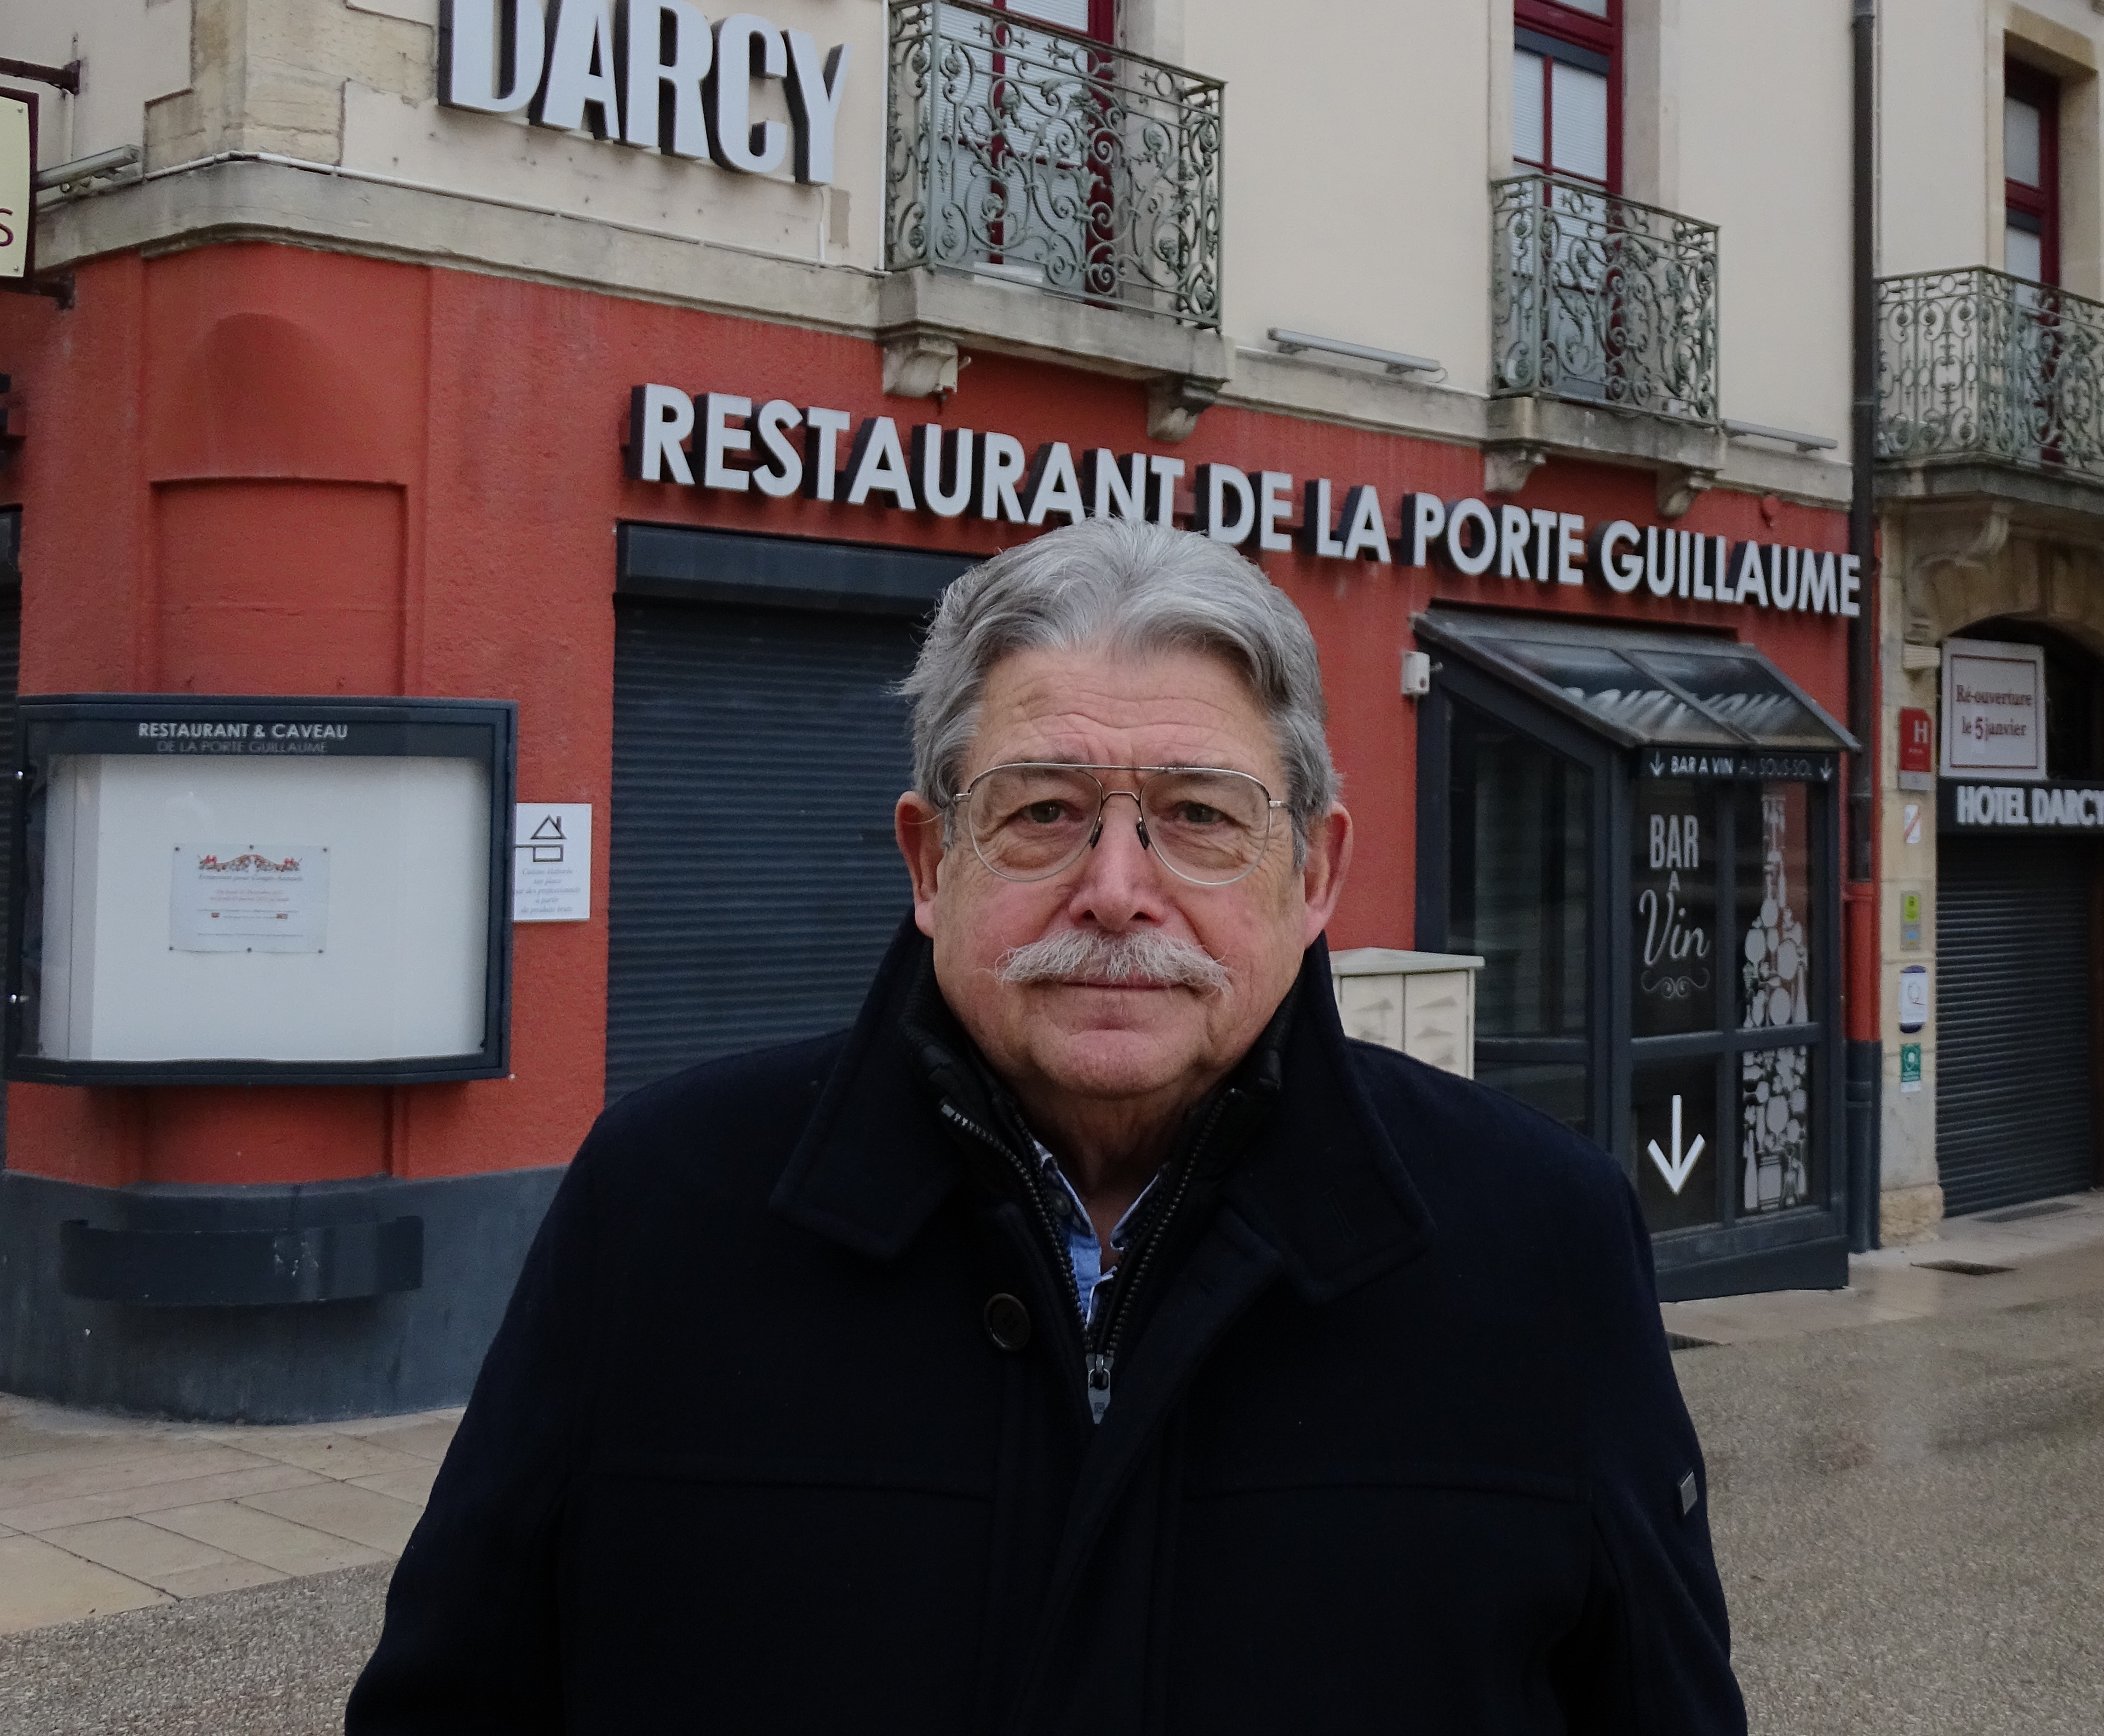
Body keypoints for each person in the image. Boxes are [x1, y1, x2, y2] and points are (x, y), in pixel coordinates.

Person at [346, 518, 1745, 1735]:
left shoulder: (1537, 1242)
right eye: (1043, 810)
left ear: (1313, 873)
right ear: (928, 858)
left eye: (1199, 815)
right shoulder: (662, 1209)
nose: (1118, 887)